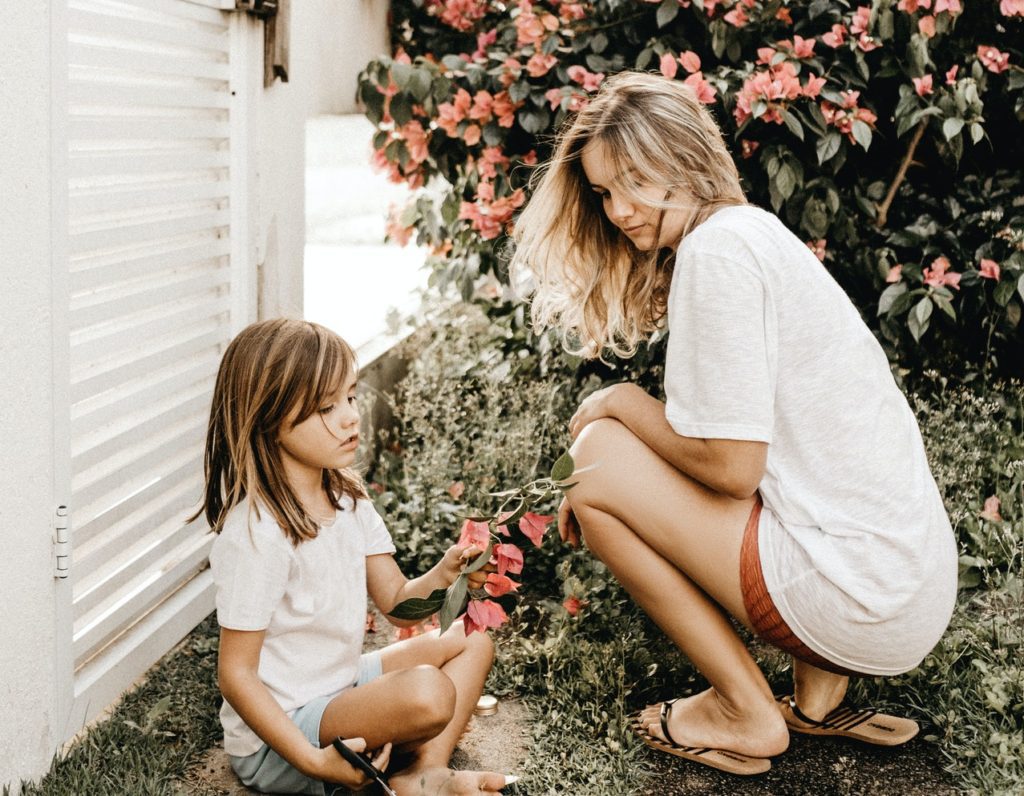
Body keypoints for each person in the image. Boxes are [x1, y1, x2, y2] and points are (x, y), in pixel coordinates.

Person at [510, 71, 958, 776]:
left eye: (632, 180)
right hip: (906, 588)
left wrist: (617, 402)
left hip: (857, 596)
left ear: (684, 157)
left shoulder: (717, 251)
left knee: (596, 460)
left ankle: (743, 709)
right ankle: (817, 696)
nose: (619, 209)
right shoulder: (752, 235)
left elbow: (731, 467)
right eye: (602, 191)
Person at [194, 318, 509, 795]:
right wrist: (313, 762)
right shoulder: (257, 534)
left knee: (471, 639)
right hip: (288, 729)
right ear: (269, 418)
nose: (350, 417)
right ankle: (405, 769)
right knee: (428, 692)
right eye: (327, 407)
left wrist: (445, 574)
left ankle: (422, 773)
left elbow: (398, 603)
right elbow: (235, 675)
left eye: (351, 397)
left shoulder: (348, 499)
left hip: (341, 684)